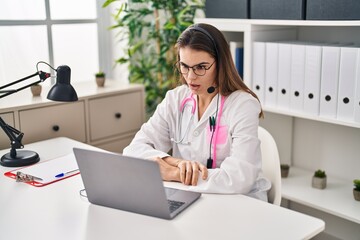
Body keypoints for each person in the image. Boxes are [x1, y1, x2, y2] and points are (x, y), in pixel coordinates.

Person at [123, 23, 270, 201]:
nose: (190, 77)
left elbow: (239, 179)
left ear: (220, 64)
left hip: (239, 201)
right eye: (184, 66)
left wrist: (173, 173)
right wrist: (178, 163)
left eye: (201, 67)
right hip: (192, 195)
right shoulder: (175, 99)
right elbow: (133, 150)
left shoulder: (243, 105)